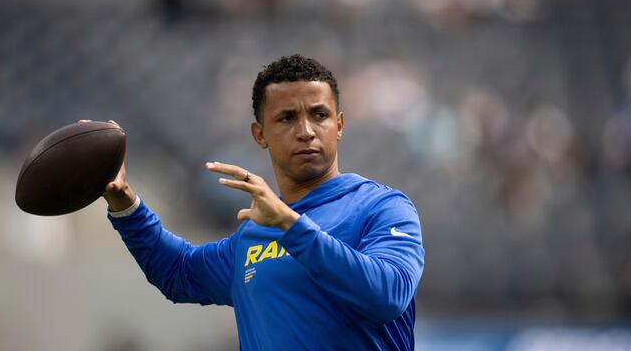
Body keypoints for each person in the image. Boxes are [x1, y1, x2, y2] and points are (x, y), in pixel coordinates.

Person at [102, 54, 425, 350]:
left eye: (319, 114)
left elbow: (389, 294)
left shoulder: (382, 208)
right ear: (260, 134)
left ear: (338, 125)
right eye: (287, 118)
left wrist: (291, 225)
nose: (306, 131)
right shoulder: (254, 235)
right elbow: (177, 273)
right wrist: (125, 203)